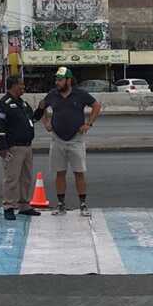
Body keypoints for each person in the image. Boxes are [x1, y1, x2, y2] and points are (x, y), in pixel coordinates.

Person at [34, 67, 102, 216]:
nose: (57, 82)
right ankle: (60, 204)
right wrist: (46, 122)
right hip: (57, 139)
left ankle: (83, 204)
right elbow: (41, 106)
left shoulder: (80, 94)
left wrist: (88, 124)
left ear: (68, 80)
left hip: (76, 139)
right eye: (56, 79)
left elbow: (96, 106)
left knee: (79, 172)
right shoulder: (52, 95)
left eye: (60, 79)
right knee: (60, 173)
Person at [0, 76, 39, 221]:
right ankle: (9, 206)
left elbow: (33, 119)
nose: (23, 88)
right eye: (21, 85)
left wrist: (42, 108)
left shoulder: (23, 104)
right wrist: (3, 148)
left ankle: (24, 205)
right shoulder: (3, 104)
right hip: (13, 147)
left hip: (27, 147)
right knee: (11, 179)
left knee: (26, 178)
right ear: (13, 86)